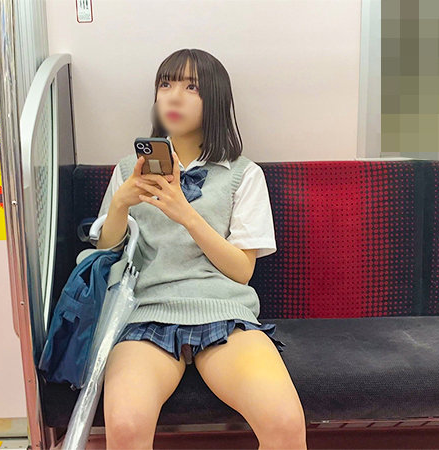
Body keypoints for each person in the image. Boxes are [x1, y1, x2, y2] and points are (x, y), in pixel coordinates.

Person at [92, 48, 307, 449]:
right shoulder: (128, 171)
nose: (174, 96)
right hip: (145, 313)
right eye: (166, 84)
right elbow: (107, 251)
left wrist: (186, 214)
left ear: (215, 99)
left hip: (224, 312)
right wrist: (120, 203)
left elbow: (242, 271)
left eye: (191, 87)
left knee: (285, 424)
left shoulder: (243, 174)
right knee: (125, 427)